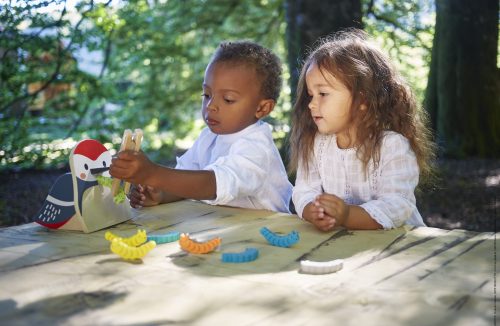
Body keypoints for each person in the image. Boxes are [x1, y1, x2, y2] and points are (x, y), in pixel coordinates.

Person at [110, 40, 292, 213]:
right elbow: (186, 180)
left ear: (262, 108)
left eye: (228, 99)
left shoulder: (257, 148)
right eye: (206, 95)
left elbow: (212, 184)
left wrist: (153, 174)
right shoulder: (208, 137)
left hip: (269, 236)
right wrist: (161, 194)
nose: (211, 105)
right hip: (228, 230)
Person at [289, 29, 436, 231]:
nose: (312, 104)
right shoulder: (317, 143)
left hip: (397, 245)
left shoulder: (392, 146)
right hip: (344, 244)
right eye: (311, 94)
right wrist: (312, 210)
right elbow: (304, 190)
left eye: (323, 93)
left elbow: (398, 204)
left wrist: (347, 215)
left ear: (362, 100)